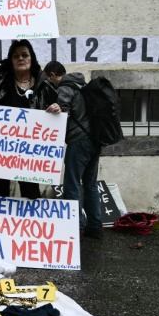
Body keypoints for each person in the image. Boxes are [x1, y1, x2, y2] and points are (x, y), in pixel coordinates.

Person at [0, 37, 61, 201]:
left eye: (25, 55)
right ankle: (0, 226)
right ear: (11, 60)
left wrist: (58, 109)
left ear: (32, 58)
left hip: (31, 154)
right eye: (16, 56)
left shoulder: (45, 86)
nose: (21, 58)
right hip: (2, 151)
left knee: (31, 193)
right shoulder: (0, 79)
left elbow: (59, 111)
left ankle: (30, 225)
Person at [44, 61, 104, 239]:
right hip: (95, 140)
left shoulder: (65, 86)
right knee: (90, 184)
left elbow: (63, 115)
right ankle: (94, 226)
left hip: (78, 141)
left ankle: (74, 227)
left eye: (49, 77)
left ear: (54, 74)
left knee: (72, 183)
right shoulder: (82, 85)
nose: (50, 80)